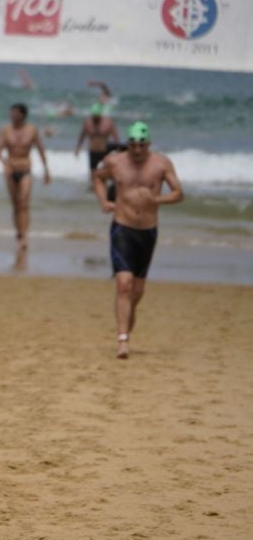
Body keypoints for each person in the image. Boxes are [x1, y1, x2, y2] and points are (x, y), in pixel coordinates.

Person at [93, 122, 184, 360]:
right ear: (128, 144)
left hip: (147, 232)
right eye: (133, 144)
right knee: (124, 284)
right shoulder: (115, 162)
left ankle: (129, 311)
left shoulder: (161, 164)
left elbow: (178, 193)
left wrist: (156, 199)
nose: (137, 149)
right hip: (122, 228)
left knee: (137, 290)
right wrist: (104, 201)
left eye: (141, 145)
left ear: (148, 144)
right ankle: (123, 340)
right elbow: (98, 177)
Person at [0, 102, 51, 259]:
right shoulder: (5, 130)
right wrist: (4, 164)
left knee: (24, 203)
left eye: (15, 112)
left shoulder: (31, 130)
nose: (12, 115)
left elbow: (41, 150)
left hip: (26, 169)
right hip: (10, 170)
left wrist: (47, 170)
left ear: (22, 114)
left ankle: (25, 237)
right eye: (11, 112)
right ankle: (19, 232)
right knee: (15, 204)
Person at [75, 102, 121, 177]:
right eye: (94, 116)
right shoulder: (87, 123)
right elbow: (82, 136)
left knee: (105, 173)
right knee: (93, 174)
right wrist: (77, 148)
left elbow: (115, 137)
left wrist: (118, 149)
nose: (95, 118)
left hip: (104, 151)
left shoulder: (108, 122)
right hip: (92, 151)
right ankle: (92, 187)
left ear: (100, 114)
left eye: (97, 116)